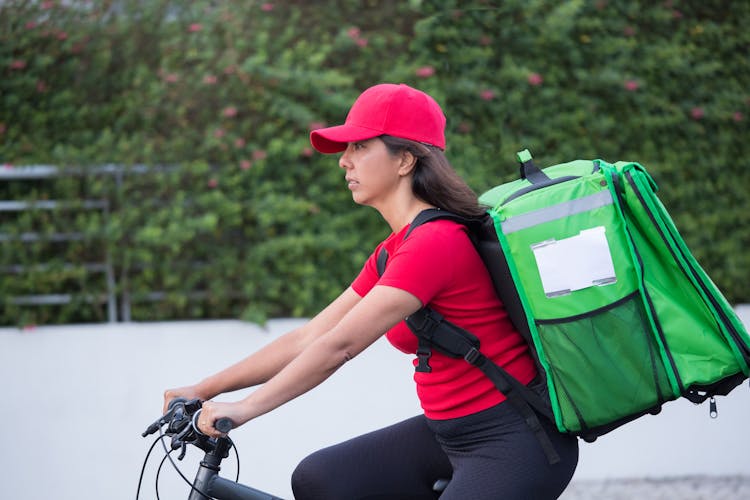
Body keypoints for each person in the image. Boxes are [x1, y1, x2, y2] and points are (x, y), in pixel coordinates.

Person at [163, 83, 579, 499]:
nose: (344, 161)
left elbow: (340, 346)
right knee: (321, 480)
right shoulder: (393, 250)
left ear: (405, 159)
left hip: (515, 442)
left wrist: (244, 409)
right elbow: (310, 337)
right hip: (449, 434)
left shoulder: (435, 243)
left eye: (360, 147)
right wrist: (203, 390)